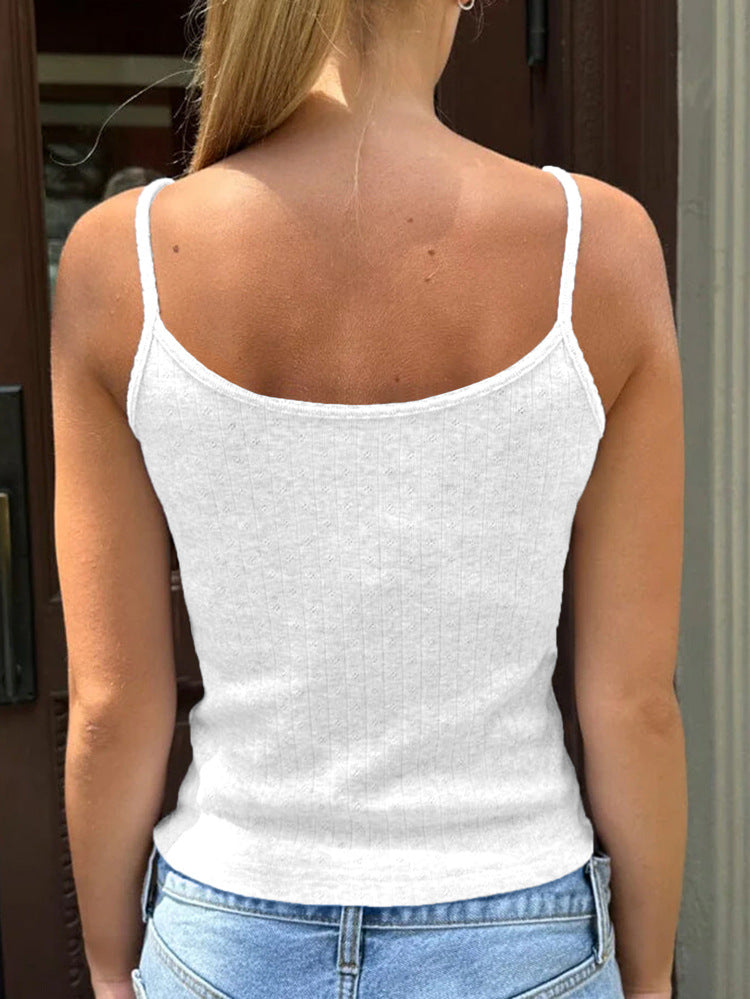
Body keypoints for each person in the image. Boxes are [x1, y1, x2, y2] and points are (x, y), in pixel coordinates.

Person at [50, 0, 686, 995]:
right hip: (520, 930)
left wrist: (105, 965)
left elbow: (110, 709)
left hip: (229, 929)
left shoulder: (122, 261)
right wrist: (648, 977)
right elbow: (634, 706)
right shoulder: (594, 247)